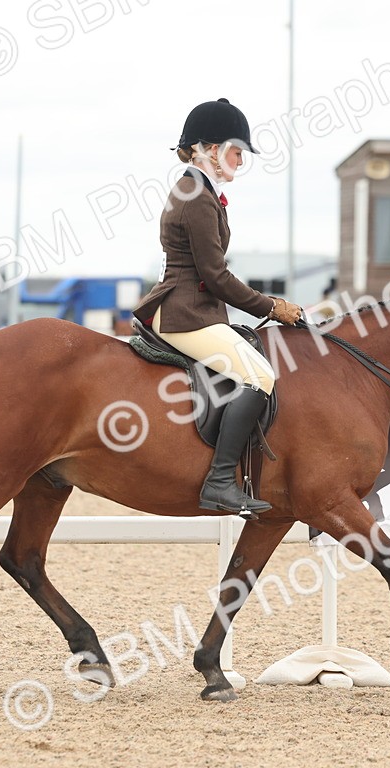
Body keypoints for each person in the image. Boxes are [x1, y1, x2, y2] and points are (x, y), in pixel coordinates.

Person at [133, 98, 303, 517]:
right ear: (210, 149)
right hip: (184, 314)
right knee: (259, 376)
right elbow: (216, 276)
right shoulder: (196, 197)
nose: (241, 161)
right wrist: (271, 306)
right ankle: (220, 481)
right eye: (236, 151)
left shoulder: (200, 191)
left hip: (193, 309)